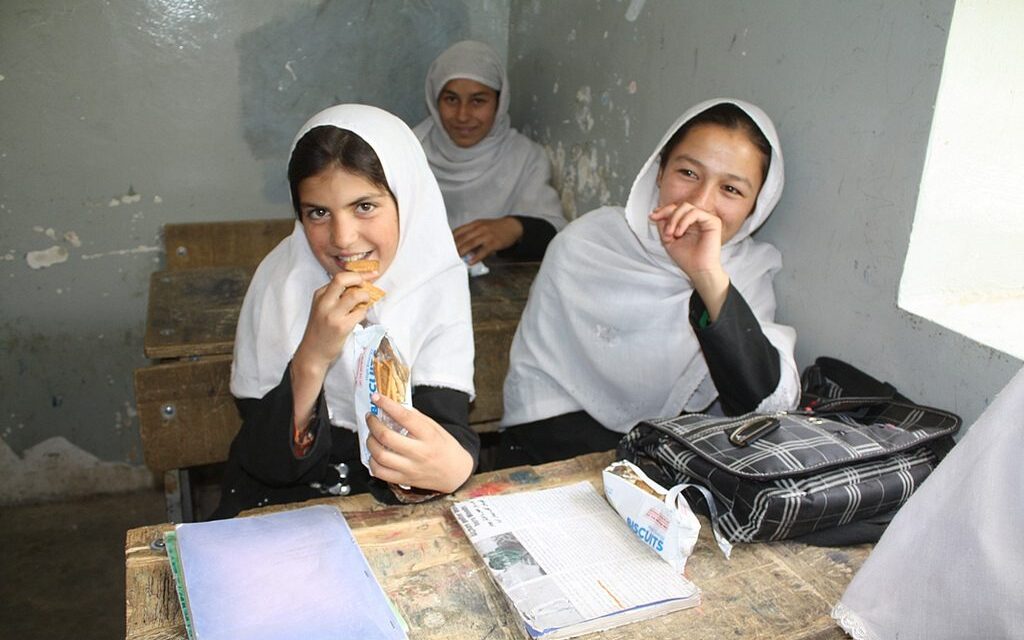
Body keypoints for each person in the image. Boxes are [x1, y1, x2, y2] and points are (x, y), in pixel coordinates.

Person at [496, 98, 800, 467]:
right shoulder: (587, 245)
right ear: (659, 171)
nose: (701, 202)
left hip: (670, 465)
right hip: (556, 455)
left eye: (731, 190)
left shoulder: (747, 271)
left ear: (756, 206)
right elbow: (537, 398)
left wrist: (706, 276)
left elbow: (763, 404)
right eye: (687, 173)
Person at [212, 104, 478, 519]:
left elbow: (445, 431)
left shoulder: (435, 281)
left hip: (388, 516)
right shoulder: (280, 283)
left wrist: (456, 464)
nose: (343, 238)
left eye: (365, 206)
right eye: (318, 212)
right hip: (283, 513)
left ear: (407, 200)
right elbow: (265, 464)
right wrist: (313, 356)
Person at [414, 40, 566, 265]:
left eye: (478, 101)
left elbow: (556, 233)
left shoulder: (524, 157)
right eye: (451, 99)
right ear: (435, 102)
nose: (463, 115)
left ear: (499, 102)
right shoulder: (409, 151)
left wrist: (514, 228)